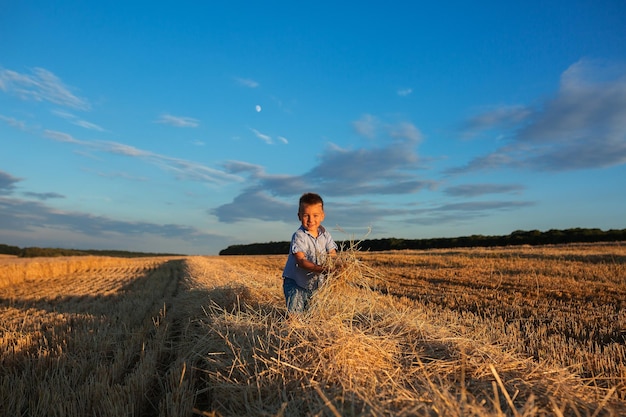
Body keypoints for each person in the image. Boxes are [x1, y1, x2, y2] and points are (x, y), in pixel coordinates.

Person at [282, 192, 338, 313]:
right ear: (299, 216)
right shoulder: (299, 236)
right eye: (306, 215)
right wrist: (324, 270)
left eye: (315, 215)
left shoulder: (325, 235)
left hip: (315, 285)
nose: (311, 219)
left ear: (322, 216)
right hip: (296, 284)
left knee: (312, 317)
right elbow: (301, 261)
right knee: (295, 318)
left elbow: (332, 255)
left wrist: (338, 267)